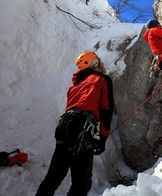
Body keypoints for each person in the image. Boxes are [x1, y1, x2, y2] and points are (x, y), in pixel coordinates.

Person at [36, 51, 114, 196]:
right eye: (100, 61)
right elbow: (106, 110)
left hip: (64, 126)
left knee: (53, 178)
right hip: (81, 128)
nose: (103, 64)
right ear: (95, 64)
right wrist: (103, 138)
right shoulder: (102, 79)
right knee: (81, 183)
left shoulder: (75, 86)